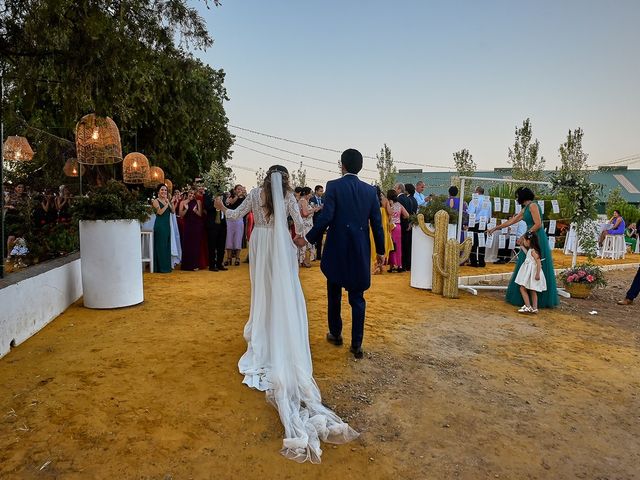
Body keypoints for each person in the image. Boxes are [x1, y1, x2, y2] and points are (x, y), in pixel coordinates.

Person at [214, 165, 358, 463]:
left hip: (260, 244)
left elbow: (234, 215)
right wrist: (302, 240)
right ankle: (279, 332)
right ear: (286, 181)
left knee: (262, 293)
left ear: (266, 179)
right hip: (280, 245)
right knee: (283, 292)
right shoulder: (290, 197)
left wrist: (220, 206)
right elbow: (301, 225)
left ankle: (264, 335)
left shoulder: (254, 194)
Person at [299, 149, 385, 359]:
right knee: (358, 298)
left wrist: (307, 239)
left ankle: (336, 334)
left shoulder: (334, 186)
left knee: (334, 293)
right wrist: (381, 251)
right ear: (360, 166)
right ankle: (357, 344)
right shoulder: (370, 191)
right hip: (360, 250)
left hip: (337, 247)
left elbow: (326, 217)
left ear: (342, 165)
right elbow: (377, 224)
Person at [487, 187, 558, 309]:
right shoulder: (526, 208)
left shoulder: (533, 206)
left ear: (522, 196)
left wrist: (525, 236)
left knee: (535, 263)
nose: (516, 198)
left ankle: (536, 300)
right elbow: (512, 221)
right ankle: (527, 298)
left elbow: (538, 224)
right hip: (529, 236)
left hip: (536, 237)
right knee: (526, 265)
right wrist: (496, 228)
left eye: (517, 196)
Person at [514, 231, 547, 313]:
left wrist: (538, 273)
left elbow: (539, 262)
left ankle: (528, 306)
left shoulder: (533, 251)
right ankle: (534, 308)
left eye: (524, 240)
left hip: (532, 272)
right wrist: (521, 246)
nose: (524, 242)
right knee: (532, 290)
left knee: (522, 288)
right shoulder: (531, 250)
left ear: (528, 241)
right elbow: (527, 254)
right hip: (530, 272)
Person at [203, 187, 228, 272]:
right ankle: (212, 265)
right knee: (212, 246)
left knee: (221, 246)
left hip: (222, 224)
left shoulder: (223, 194)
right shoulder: (208, 194)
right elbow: (207, 207)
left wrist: (222, 204)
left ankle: (220, 263)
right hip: (212, 224)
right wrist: (216, 203)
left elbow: (225, 206)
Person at [369, 186, 393, 274]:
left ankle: (375, 266)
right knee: (383, 244)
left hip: (372, 226)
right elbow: (390, 213)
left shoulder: (370, 200)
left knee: (373, 244)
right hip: (383, 226)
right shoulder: (385, 201)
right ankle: (381, 266)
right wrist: (392, 205)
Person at [467, 186, 493, 267]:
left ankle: (473, 262)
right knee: (482, 242)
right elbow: (489, 214)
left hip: (475, 223)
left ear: (477, 192)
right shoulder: (488, 201)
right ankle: (482, 262)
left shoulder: (474, 200)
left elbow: (471, 212)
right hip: (484, 223)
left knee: (473, 243)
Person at [151, 184, 174, 273]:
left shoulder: (167, 201)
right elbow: (159, 212)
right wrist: (166, 204)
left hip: (167, 226)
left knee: (166, 245)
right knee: (160, 246)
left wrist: (170, 202)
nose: (164, 191)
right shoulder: (155, 201)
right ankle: (161, 268)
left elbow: (173, 211)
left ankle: (166, 267)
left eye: (165, 190)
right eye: (162, 190)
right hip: (160, 226)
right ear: (158, 192)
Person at [179, 189, 203, 271]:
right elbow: (181, 215)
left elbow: (200, 214)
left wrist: (195, 210)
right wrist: (186, 209)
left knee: (195, 245)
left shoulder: (198, 202)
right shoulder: (182, 202)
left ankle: (195, 265)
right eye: (190, 193)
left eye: (193, 194)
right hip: (187, 225)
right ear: (188, 193)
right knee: (187, 245)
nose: (192, 195)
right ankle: (186, 265)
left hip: (196, 226)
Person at [386, 189, 409, 273]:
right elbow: (407, 215)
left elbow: (388, 214)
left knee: (392, 246)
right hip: (398, 227)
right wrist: (400, 217)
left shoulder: (389, 204)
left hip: (392, 227)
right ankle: (399, 265)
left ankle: (392, 266)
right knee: (398, 246)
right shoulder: (399, 204)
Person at [224, 184, 246, 266]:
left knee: (238, 238)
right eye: (238, 189)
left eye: (241, 189)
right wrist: (237, 196)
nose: (239, 190)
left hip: (239, 220)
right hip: (229, 220)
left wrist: (242, 195)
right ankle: (228, 258)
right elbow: (231, 203)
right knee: (229, 238)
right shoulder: (230, 197)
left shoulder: (244, 199)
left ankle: (237, 258)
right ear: (235, 190)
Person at [298, 186, 320, 267]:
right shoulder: (303, 201)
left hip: (308, 224)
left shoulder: (305, 201)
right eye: (310, 193)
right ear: (306, 194)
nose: (311, 194)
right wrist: (314, 210)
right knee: (305, 242)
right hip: (305, 225)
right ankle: (303, 261)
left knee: (307, 243)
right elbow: (305, 214)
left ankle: (304, 260)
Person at [394, 183, 413, 272]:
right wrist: (410, 223)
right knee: (408, 246)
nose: (394, 190)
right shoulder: (409, 199)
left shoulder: (398, 200)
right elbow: (411, 213)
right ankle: (408, 265)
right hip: (408, 225)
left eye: (395, 188)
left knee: (400, 246)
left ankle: (402, 265)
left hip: (400, 225)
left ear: (399, 189)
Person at [309, 185, 325, 260]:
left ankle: (319, 256)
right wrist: (319, 208)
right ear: (316, 191)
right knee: (313, 238)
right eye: (320, 191)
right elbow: (312, 209)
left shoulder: (323, 200)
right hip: (313, 221)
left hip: (321, 222)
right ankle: (312, 255)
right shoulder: (311, 199)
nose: (322, 192)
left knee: (320, 239)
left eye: (322, 191)